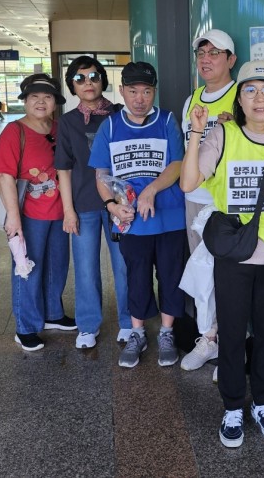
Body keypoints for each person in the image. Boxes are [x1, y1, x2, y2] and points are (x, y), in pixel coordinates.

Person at [180, 60, 264, 449]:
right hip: (233, 253)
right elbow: (188, 182)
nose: (259, 98)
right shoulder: (223, 134)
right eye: (250, 90)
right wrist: (197, 131)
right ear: (240, 98)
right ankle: (233, 406)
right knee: (232, 334)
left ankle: (263, 402)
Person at [89, 62, 188, 368]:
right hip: (132, 221)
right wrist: (111, 205)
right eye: (133, 91)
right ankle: (138, 333)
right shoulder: (110, 126)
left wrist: (151, 190)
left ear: (154, 92)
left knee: (171, 275)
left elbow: (177, 164)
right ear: (122, 91)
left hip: (169, 216)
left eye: (146, 91)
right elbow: (101, 174)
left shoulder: (167, 120)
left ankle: (167, 333)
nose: (140, 98)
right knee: (136, 277)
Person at [0, 74, 75, 352]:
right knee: (27, 268)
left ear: (55, 102)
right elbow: (5, 175)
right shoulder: (14, 131)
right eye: (34, 97)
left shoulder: (59, 128)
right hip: (29, 214)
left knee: (57, 265)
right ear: (26, 101)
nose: (41, 102)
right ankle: (26, 327)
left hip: (59, 211)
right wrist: (13, 217)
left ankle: (53, 313)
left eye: (47, 97)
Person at [55, 56, 132, 350]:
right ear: (72, 85)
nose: (88, 83)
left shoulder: (121, 114)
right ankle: (88, 325)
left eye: (94, 76)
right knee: (86, 268)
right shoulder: (67, 122)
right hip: (83, 204)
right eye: (79, 78)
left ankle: (129, 321)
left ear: (103, 80)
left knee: (124, 264)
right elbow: (63, 168)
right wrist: (68, 210)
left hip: (119, 203)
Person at [179, 29, 238, 374]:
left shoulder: (241, 96)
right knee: (203, 274)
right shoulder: (192, 100)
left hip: (227, 204)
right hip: (194, 199)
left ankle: (231, 345)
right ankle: (208, 338)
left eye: (215, 53)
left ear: (231, 60)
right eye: (201, 53)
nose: (206, 59)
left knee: (230, 276)